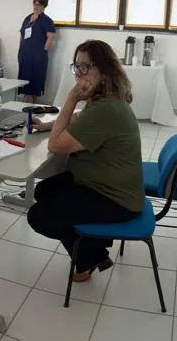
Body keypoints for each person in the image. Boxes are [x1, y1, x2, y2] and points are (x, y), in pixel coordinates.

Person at [27, 40, 142, 283]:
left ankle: (89, 256)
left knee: (38, 216)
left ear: (104, 70)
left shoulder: (106, 109)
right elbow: (82, 118)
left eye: (85, 66)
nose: (79, 73)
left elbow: (55, 145)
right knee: (45, 189)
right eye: (76, 66)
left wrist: (70, 99)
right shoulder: (106, 99)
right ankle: (95, 245)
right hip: (107, 184)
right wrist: (48, 125)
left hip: (115, 198)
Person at [18, 0, 57, 103]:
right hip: (25, 54)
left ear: (44, 6)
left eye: (38, 5)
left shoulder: (46, 20)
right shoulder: (27, 18)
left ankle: (34, 104)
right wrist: (20, 50)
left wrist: (43, 51)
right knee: (25, 79)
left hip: (37, 56)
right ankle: (25, 102)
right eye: (34, 4)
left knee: (35, 79)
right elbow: (22, 34)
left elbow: (51, 37)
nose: (35, 6)